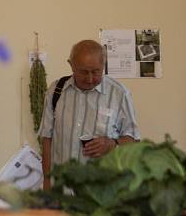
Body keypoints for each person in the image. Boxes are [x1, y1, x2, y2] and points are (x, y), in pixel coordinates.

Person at [39, 39, 140, 190]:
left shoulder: (120, 94)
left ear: (104, 65)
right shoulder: (55, 90)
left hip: (100, 193)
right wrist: (47, 182)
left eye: (96, 72)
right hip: (60, 190)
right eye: (84, 72)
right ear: (71, 65)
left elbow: (134, 141)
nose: (90, 78)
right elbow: (46, 137)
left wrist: (113, 144)